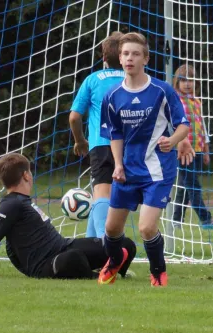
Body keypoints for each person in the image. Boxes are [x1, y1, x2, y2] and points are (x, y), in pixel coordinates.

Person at [98, 32, 194, 287]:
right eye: (126, 54)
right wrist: (117, 165)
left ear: (146, 59)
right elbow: (114, 134)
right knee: (111, 230)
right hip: (127, 171)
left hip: (158, 171)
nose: (130, 58)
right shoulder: (112, 95)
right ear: (119, 58)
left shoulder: (161, 91)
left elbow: (183, 125)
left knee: (147, 228)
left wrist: (173, 141)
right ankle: (116, 259)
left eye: (136, 54)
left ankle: (158, 272)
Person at [0, 153, 136, 280]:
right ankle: (97, 277)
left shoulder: (24, 201)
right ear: (26, 175)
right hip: (46, 264)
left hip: (63, 246)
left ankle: (116, 270)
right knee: (74, 258)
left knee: (123, 244)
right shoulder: (10, 204)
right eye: (30, 173)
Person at [69, 31, 125, 239]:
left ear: (103, 58)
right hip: (128, 145)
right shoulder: (135, 79)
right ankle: (93, 248)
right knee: (111, 195)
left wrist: (80, 140)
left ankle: (106, 247)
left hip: (101, 143)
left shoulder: (93, 80)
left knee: (102, 193)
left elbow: (74, 117)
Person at [171, 64, 213, 229]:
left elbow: (202, 127)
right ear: (177, 82)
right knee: (193, 185)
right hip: (183, 151)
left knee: (184, 186)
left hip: (197, 149)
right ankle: (206, 219)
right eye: (183, 80)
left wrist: (206, 150)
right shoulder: (175, 100)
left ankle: (176, 220)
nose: (187, 84)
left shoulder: (197, 101)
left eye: (190, 80)